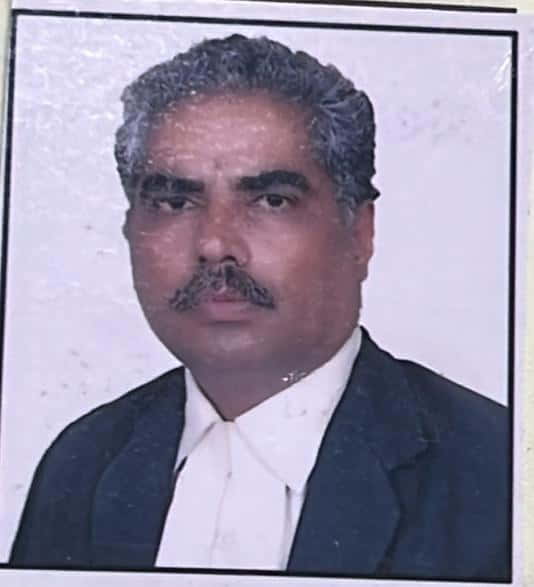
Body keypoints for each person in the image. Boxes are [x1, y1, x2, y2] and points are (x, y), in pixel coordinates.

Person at [10, 34, 509, 580]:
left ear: (359, 233)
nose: (214, 243)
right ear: (130, 229)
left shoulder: (500, 476)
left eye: (272, 200)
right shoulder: (82, 464)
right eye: (175, 202)